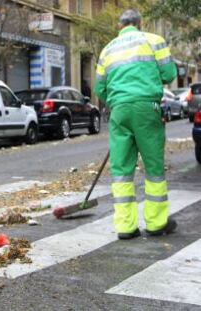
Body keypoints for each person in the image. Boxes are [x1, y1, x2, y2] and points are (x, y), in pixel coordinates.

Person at [94, 9, 178, 240]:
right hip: (146, 108)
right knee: (153, 168)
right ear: (140, 23)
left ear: (120, 26)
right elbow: (169, 73)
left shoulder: (107, 49)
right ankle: (156, 222)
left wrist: (118, 96)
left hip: (119, 111)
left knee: (121, 170)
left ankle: (125, 226)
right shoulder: (154, 41)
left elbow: (99, 88)